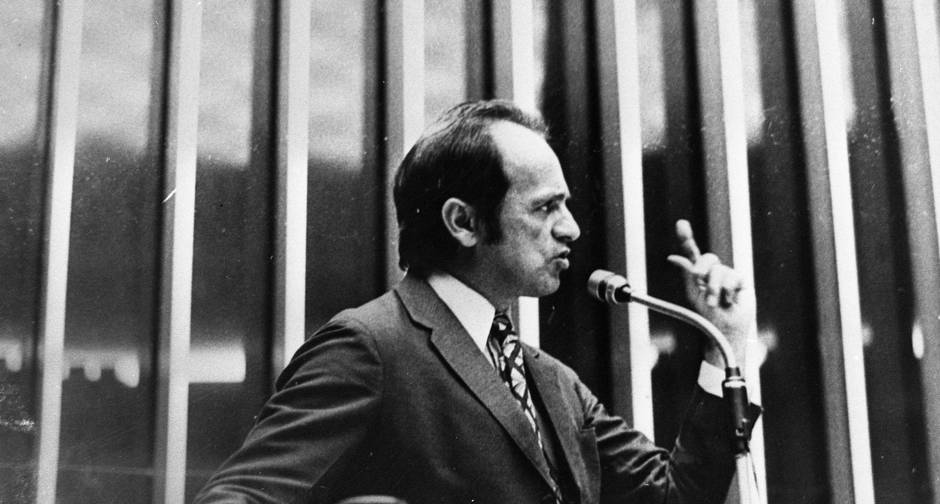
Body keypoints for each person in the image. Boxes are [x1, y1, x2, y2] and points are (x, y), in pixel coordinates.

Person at [193, 100, 759, 504]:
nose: (572, 229)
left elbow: (674, 496)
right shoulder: (370, 346)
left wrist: (726, 340)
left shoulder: (553, 382)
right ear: (463, 221)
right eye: (545, 207)